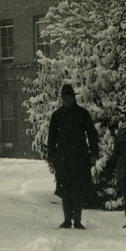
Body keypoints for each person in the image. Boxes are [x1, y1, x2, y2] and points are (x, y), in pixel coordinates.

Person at [46, 83, 99, 229]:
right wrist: (51, 158)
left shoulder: (83, 114)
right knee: (65, 190)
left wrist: (94, 154)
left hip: (80, 157)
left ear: (74, 98)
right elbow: (51, 139)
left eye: (69, 97)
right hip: (62, 157)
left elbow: (92, 135)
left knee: (78, 189)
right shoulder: (57, 115)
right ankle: (67, 220)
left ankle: (77, 220)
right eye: (64, 98)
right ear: (62, 99)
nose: (67, 100)